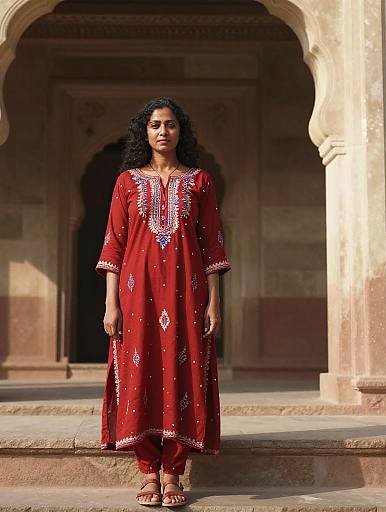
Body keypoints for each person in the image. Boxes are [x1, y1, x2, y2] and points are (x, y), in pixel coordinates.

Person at [95, 97, 231, 507]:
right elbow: (114, 246)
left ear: (181, 131)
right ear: (144, 132)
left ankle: (174, 473)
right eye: (155, 125)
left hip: (188, 293)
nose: (163, 132)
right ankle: (148, 473)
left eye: (170, 125)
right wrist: (110, 304)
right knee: (141, 374)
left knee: (181, 373)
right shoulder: (127, 182)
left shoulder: (200, 181)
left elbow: (212, 248)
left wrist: (214, 303)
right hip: (136, 296)